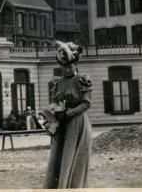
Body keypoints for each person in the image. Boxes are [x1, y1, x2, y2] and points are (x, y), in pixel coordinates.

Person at [44, 40, 92, 189]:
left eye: (70, 67)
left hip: (77, 123)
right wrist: (53, 113)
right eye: (64, 67)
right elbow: (53, 101)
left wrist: (70, 113)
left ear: (75, 65)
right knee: (58, 156)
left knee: (73, 156)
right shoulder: (57, 82)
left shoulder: (81, 80)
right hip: (61, 122)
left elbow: (86, 103)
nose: (67, 70)